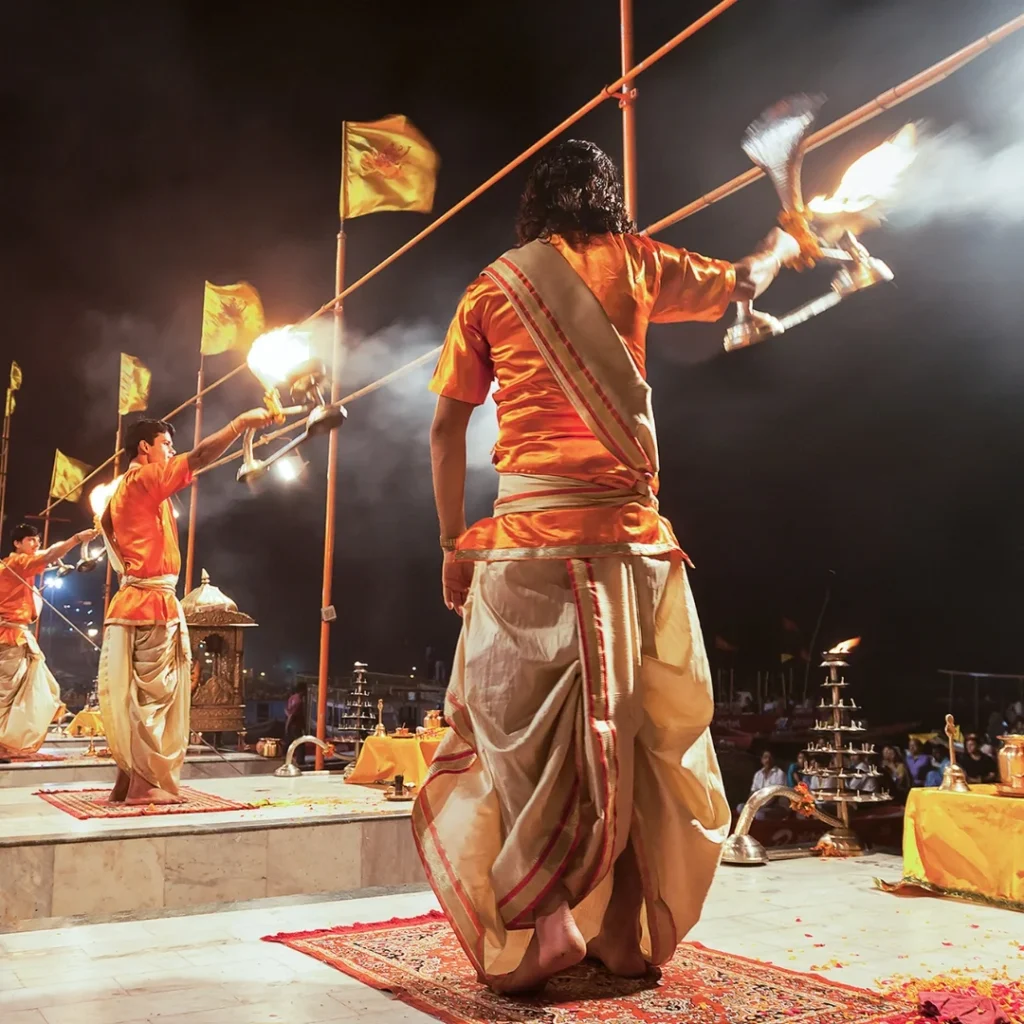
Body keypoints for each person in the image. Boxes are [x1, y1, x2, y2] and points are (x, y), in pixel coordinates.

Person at [412, 139, 799, 994]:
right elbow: (742, 281)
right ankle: (626, 933)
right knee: (632, 741)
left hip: (524, 550)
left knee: (523, 743)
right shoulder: (642, 263)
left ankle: (547, 922)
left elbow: (446, 431)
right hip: (630, 550)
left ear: (535, 203)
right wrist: (783, 237)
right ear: (606, 199)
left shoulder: (492, 285)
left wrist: (450, 545)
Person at [98, 410, 273, 805]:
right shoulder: (143, 479)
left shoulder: (127, 489)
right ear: (145, 447)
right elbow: (198, 458)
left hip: (137, 600)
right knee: (153, 698)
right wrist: (238, 424)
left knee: (138, 697)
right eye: (166, 445)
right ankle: (144, 787)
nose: (171, 452)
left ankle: (126, 782)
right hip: (150, 603)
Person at [1, 523, 98, 757]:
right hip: (10, 637)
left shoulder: (18, 568)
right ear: (17, 543)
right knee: (6, 694)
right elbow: (52, 554)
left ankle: (6, 742)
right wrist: (76, 538)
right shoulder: (15, 563)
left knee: (38, 688)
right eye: (30, 540)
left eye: (37, 540)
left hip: (18, 635)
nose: (35, 544)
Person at [284, 681, 308, 764]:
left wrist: (287, 726)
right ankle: (300, 762)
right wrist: (287, 726)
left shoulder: (292, 698)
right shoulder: (299, 702)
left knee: (291, 743)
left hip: (292, 725)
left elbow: (287, 711)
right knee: (300, 744)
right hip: (295, 725)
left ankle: (288, 760)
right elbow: (292, 715)